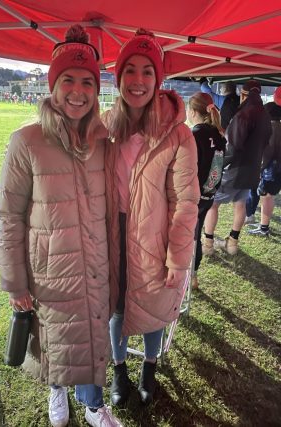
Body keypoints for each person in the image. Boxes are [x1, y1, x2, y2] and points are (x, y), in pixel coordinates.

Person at [0, 25, 123, 427]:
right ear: (53, 84)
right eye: (68, 79)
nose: (78, 90)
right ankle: (56, 391)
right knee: (55, 337)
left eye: (88, 81)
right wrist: (16, 283)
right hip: (49, 270)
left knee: (92, 335)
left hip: (97, 265)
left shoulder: (105, 140)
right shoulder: (25, 142)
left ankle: (91, 404)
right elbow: (9, 217)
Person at [103, 29, 200, 406]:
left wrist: (177, 259)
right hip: (112, 237)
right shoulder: (107, 128)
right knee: (117, 307)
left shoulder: (178, 136)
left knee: (154, 308)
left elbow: (186, 202)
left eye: (147, 71)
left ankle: (149, 365)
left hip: (155, 240)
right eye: (130, 71)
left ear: (158, 79)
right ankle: (118, 369)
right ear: (119, 78)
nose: (138, 80)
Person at [203, 79, 272, 255]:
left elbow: (232, 147)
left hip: (234, 170)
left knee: (213, 204)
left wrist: (218, 165)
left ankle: (208, 244)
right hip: (252, 170)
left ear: (244, 95)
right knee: (240, 203)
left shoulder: (243, 115)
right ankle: (232, 243)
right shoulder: (264, 115)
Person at [187, 92, 226, 289]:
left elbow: (189, 167)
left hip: (193, 195)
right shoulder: (219, 134)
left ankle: (189, 275)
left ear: (193, 111)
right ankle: (193, 275)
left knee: (189, 236)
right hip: (208, 194)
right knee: (196, 232)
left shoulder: (196, 134)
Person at [246, 86, 281, 236]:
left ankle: (264, 228)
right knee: (269, 196)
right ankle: (264, 227)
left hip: (271, 168)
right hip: (278, 167)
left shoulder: (272, 128)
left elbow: (268, 152)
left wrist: (260, 167)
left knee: (266, 196)